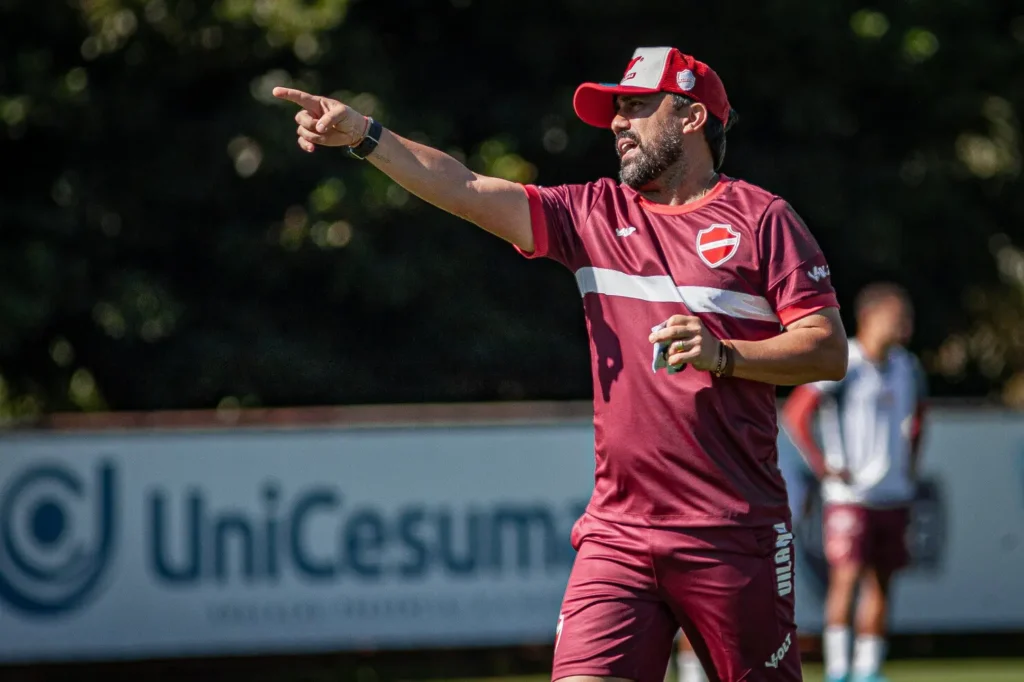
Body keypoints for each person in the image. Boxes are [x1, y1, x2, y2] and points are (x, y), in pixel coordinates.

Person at [274, 46, 848, 682]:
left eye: (635, 107)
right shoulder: (592, 213)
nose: (618, 124)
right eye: (615, 111)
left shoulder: (763, 219)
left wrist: (726, 354)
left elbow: (826, 349)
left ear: (689, 117)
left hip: (733, 533)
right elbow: (466, 187)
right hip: (617, 535)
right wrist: (366, 136)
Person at [781, 283, 926, 682]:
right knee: (845, 578)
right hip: (851, 495)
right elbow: (797, 412)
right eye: (897, 317)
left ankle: (868, 669)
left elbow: (918, 419)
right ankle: (839, 669)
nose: (904, 326)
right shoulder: (846, 362)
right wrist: (824, 465)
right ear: (870, 317)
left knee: (882, 582)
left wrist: (910, 466)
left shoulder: (907, 367)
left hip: (893, 493)